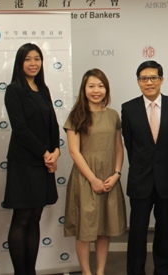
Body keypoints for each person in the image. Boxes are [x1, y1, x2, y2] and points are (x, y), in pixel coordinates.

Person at [3, 43, 60, 275]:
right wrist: (45, 154)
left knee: (35, 217)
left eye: (37, 58)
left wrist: (55, 150)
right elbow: (20, 129)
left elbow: (53, 124)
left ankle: (31, 271)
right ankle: (20, 272)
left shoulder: (43, 88)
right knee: (22, 218)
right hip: (24, 162)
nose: (33, 63)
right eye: (28, 59)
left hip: (44, 163)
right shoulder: (14, 89)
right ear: (20, 62)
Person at [64, 69, 126, 275]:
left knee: (104, 228)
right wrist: (92, 179)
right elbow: (74, 151)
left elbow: (119, 148)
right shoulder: (76, 116)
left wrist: (116, 174)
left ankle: (100, 271)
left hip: (109, 178)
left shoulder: (113, 115)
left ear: (106, 88)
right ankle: (86, 272)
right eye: (91, 86)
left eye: (100, 86)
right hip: (85, 178)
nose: (96, 90)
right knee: (84, 230)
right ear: (84, 89)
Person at [122, 61, 168, 275]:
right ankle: (135, 271)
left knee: (164, 228)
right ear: (138, 82)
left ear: (161, 80)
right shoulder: (128, 108)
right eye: (143, 78)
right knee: (137, 231)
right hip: (141, 179)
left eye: (153, 78)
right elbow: (131, 145)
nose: (149, 82)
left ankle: (163, 269)